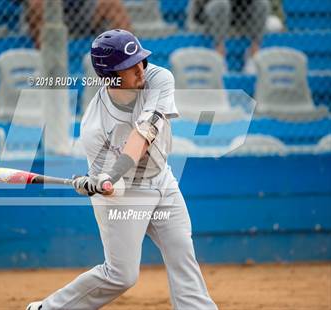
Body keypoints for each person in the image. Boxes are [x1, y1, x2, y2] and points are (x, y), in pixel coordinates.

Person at [26, 29, 218, 310]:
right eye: (129, 67)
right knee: (121, 275)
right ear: (111, 77)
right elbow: (106, 183)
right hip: (124, 192)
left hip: (161, 179)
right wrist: (97, 182)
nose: (140, 69)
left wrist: (109, 175)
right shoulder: (94, 126)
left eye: (140, 60)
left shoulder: (159, 78)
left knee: (181, 250)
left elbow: (143, 133)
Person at [188, 0, 270, 72]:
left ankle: (253, 55)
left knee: (262, 3)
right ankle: (219, 57)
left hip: (238, 15)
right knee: (221, 4)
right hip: (207, 14)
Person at [26, 0, 132, 48]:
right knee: (36, 3)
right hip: (51, 10)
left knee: (113, 4)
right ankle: (45, 58)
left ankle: (126, 57)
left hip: (83, 8)